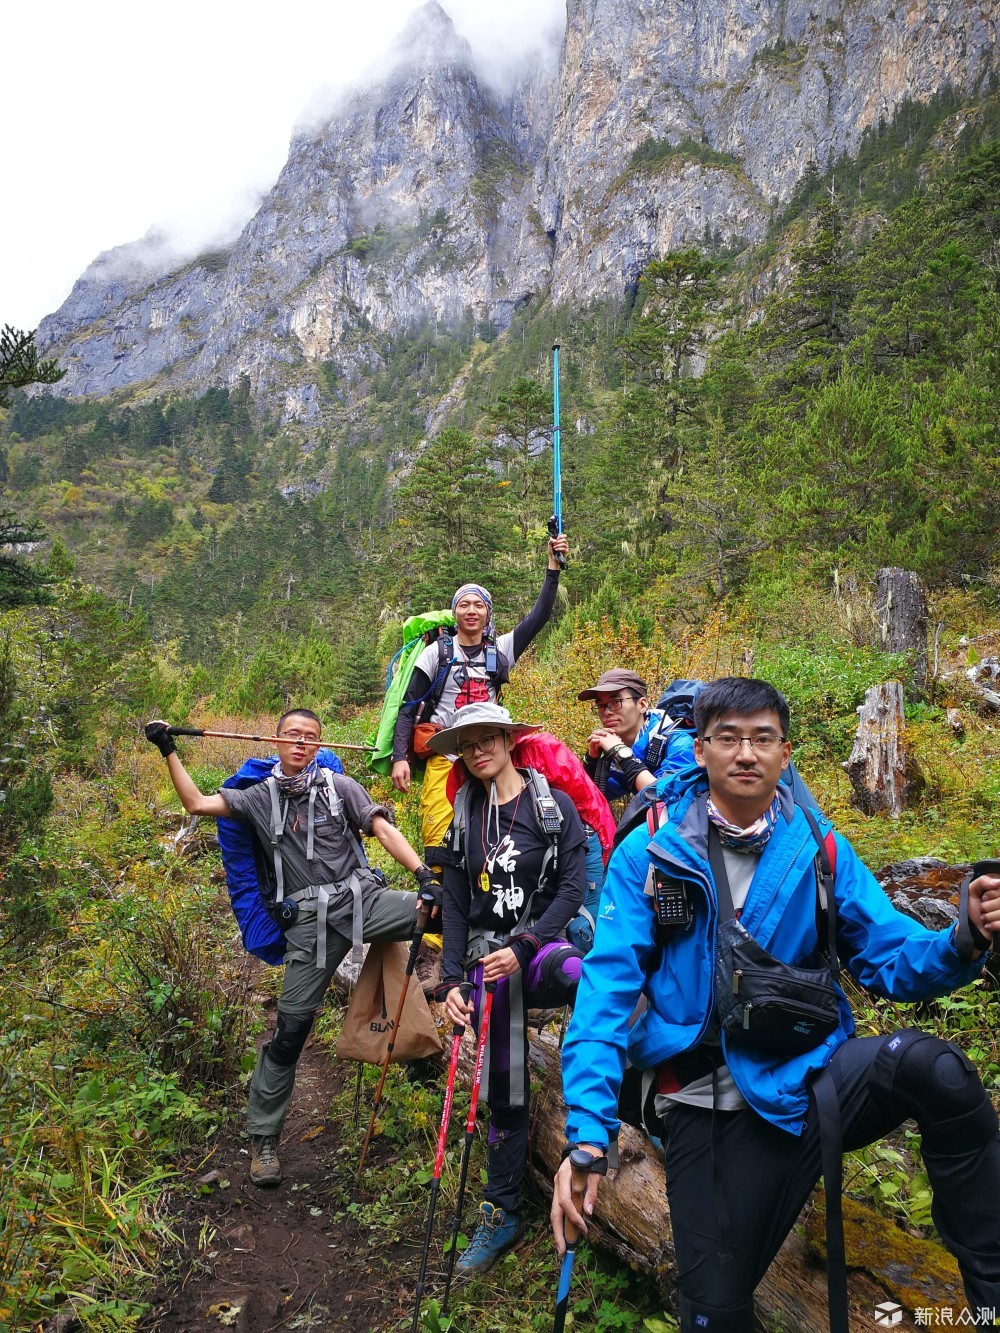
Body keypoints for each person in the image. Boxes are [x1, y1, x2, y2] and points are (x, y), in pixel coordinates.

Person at [552, 677, 1000, 1332]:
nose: (746, 753)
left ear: (785, 754)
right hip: (703, 1105)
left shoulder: (818, 848)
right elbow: (604, 996)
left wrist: (964, 938)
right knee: (712, 1312)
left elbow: (891, 958)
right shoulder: (650, 856)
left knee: (936, 1069)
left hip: (810, 1083)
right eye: (727, 737)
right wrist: (587, 1131)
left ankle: (989, 1298)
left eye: (763, 737)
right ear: (699, 750)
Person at [144, 709, 438, 1188]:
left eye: (311, 738)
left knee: (443, 913)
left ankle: (465, 997)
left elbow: (382, 829)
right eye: (293, 736)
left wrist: (423, 876)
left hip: (365, 901)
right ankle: (264, 1140)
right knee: (290, 1033)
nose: (302, 744)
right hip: (309, 926)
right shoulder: (258, 797)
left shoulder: (341, 788)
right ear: (275, 741)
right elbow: (196, 803)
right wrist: (168, 750)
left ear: (320, 746)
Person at [430, 701, 586, 1273]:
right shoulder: (464, 814)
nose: (477, 750)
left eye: (487, 738)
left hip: (539, 946)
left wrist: (525, 946)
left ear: (506, 739)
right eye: (467, 744)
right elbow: (452, 903)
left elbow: (571, 889)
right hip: (484, 961)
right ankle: (502, 1211)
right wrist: (450, 979)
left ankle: (618, 1110)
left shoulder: (552, 807)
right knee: (506, 1083)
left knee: (582, 978)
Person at [390, 533, 569, 861]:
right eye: (464, 604)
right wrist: (399, 757)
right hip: (445, 756)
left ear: (488, 613)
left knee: (494, 834)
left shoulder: (500, 650)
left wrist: (552, 568)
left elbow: (539, 616)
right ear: (455, 612)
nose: (471, 611)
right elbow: (409, 706)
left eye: (478, 605)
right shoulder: (435, 653)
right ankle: (439, 899)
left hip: (491, 755)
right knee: (439, 838)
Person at [578, 668, 696, 808]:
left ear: (642, 705)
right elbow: (593, 797)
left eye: (616, 702)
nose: (607, 712)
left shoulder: (680, 744)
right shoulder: (631, 747)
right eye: (601, 705)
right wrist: (592, 762)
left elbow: (664, 798)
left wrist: (622, 754)